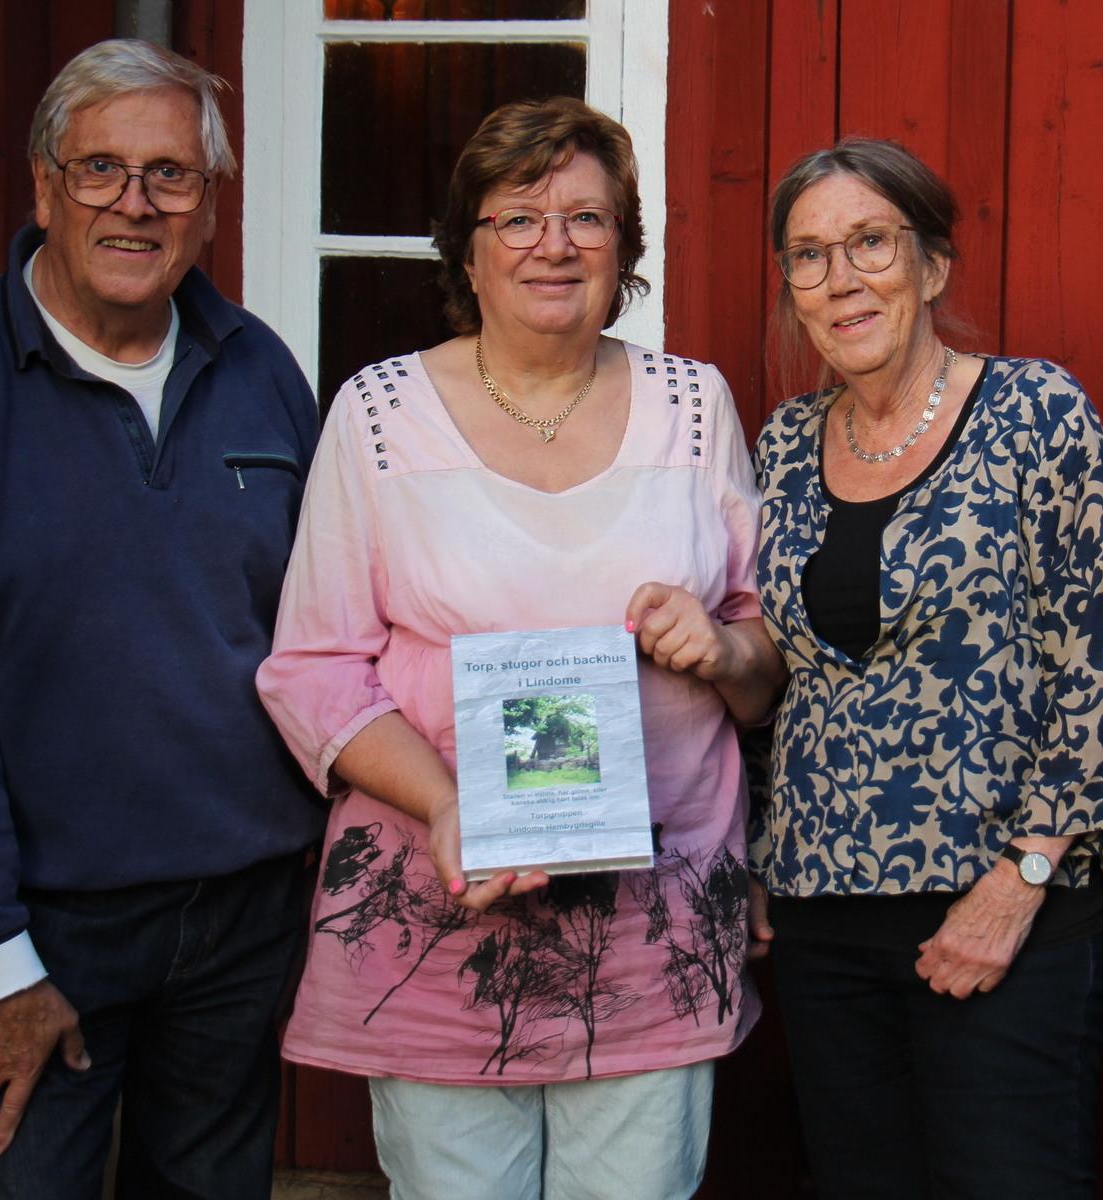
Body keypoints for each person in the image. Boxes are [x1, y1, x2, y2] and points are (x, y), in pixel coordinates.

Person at [255, 96, 783, 1199]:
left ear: (624, 250)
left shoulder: (694, 407)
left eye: (588, 219)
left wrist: (726, 652)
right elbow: (311, 668)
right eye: (519, 217)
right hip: (442, 915)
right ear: (469, 248)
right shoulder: (379, 414)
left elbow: (765, 649)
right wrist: (449, 802)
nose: (555, 244)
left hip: (655, 924)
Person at [0, 39, 322, 1200]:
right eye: (101, 169)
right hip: (42, 924)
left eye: (171, 175)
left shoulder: (262, 371)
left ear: (209, 206)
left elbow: (320, 633)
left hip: (244, 912)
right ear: (43, 186)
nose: (135, 203)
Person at [747, 137, 1103, 1198]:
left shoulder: (1035, 414)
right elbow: (782, 676)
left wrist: (1019, 882)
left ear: (931, 267)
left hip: (1003, 911)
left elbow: (1102, 675)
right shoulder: (786, 443)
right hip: (824, 917)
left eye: (870, 242)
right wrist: (756, 856)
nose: (842, 280)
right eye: (809, 255)